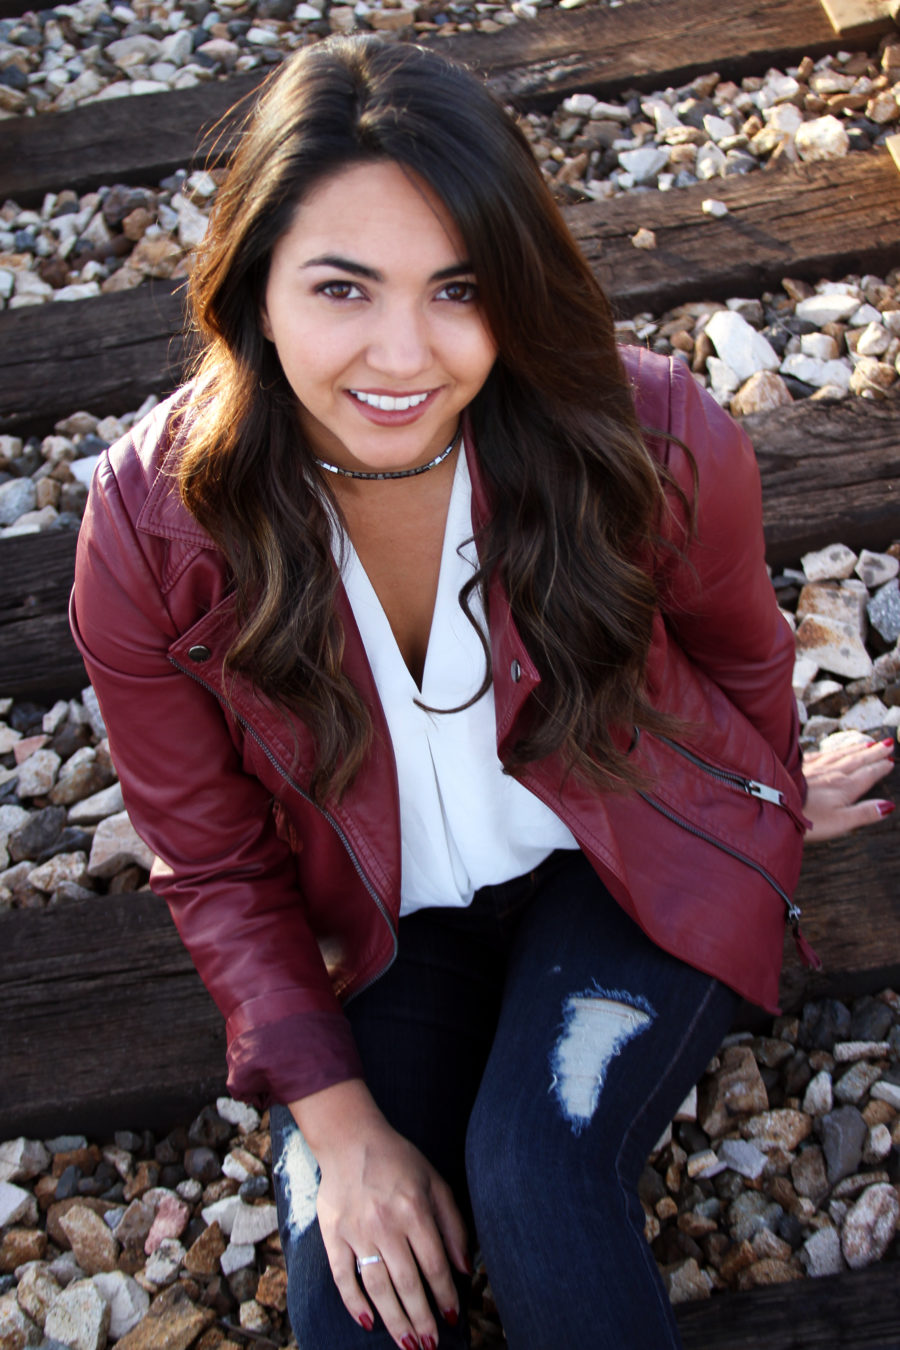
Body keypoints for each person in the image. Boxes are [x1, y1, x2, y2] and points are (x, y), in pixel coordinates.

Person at [70, 35, 894, 1350]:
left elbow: (744, 658)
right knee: (356, 1287)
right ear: (253, 289)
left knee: (535, 1167)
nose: (403, 353)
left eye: (457, 288)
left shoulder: (649, 432)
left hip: (624, 869)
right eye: (342, 288)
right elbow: (214, 860)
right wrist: (343, 1134)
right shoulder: (146, 529)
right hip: (382, 928)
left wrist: (766, 804)